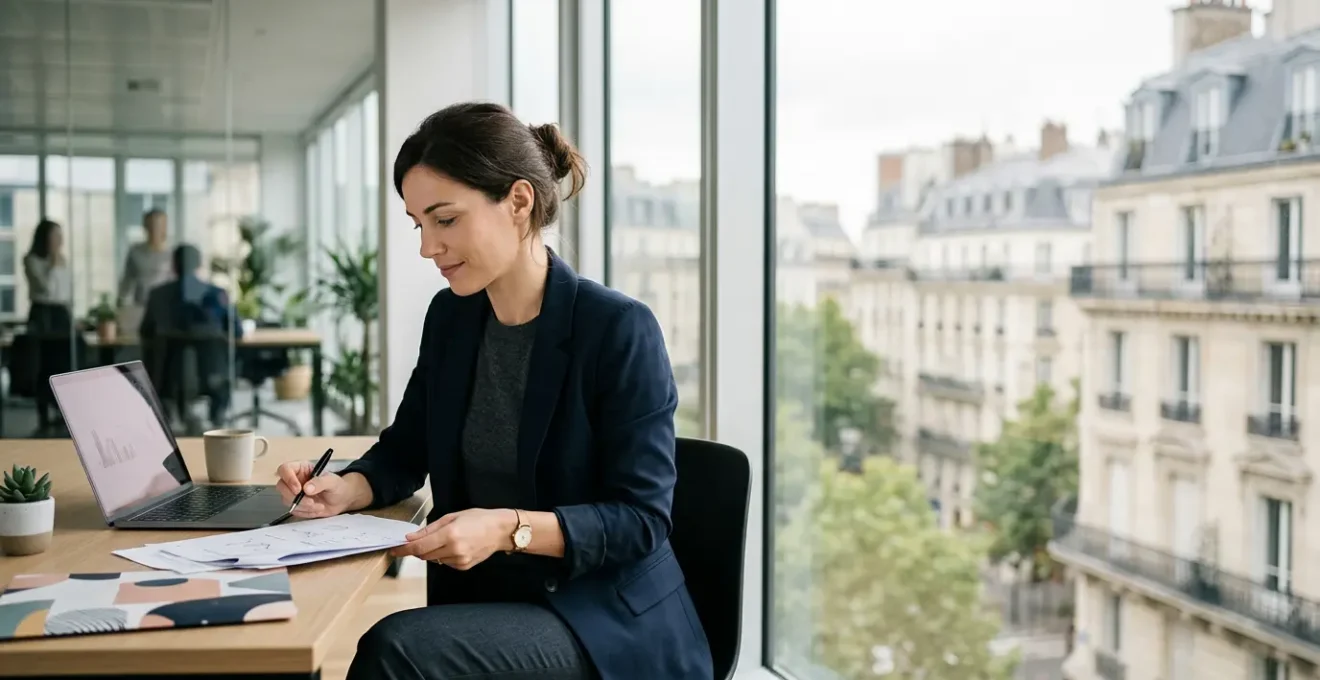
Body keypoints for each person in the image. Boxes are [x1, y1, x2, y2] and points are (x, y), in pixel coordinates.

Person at [274, 102, 713, 680]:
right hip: (491, 601)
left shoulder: (617, 329)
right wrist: (347, 487)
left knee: (398, 651)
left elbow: (640, 520)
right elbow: (409, 447)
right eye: (419, 224)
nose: (428, 247)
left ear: (519, 201)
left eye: (445, 220)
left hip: (599, 617)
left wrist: (508, 527)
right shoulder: (452, 318)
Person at [139, 244, 242, 430]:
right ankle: (217, 417)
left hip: (167, 379)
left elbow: (145, 332)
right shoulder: (217, 294)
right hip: (213, 374)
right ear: (199, 264)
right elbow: (237, 331)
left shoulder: (157, 295)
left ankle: (171, 415)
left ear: (173, 266)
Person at [22, 219, 74, 432]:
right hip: (42, 313)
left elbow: (64, 292)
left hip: (60, 313)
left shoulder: (62, 260)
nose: (59, 241)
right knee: (42, 363)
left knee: (62, 362)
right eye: (55, 236)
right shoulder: (31, 260)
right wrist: (53, 264)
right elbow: (45, 289)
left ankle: (62, 411)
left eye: (61, 237)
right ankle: (43, 412)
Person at [118, 208, 174, 307]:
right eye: (151, 225)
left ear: (165, 227)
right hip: (140, 306)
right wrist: (120, 302)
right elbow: (127, 280)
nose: (155, 229)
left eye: (159, 225)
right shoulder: (135, 252)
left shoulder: (172, 254)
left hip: (165, 306)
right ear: (145, 226)